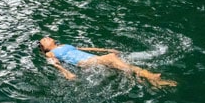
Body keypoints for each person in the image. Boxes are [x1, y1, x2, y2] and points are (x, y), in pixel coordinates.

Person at [37, 37, 177, 87]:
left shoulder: (64, 45)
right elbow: (53, 63)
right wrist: (66, 72)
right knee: (112, 58)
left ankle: (151, 79)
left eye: (47, 37)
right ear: (44, 49)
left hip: (93, 58)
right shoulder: (50, 53)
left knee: (120, 62)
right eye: (44, 40)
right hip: (85, 63)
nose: (47, 38)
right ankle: (145, 77)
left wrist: (105, 49)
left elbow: (86, 48)